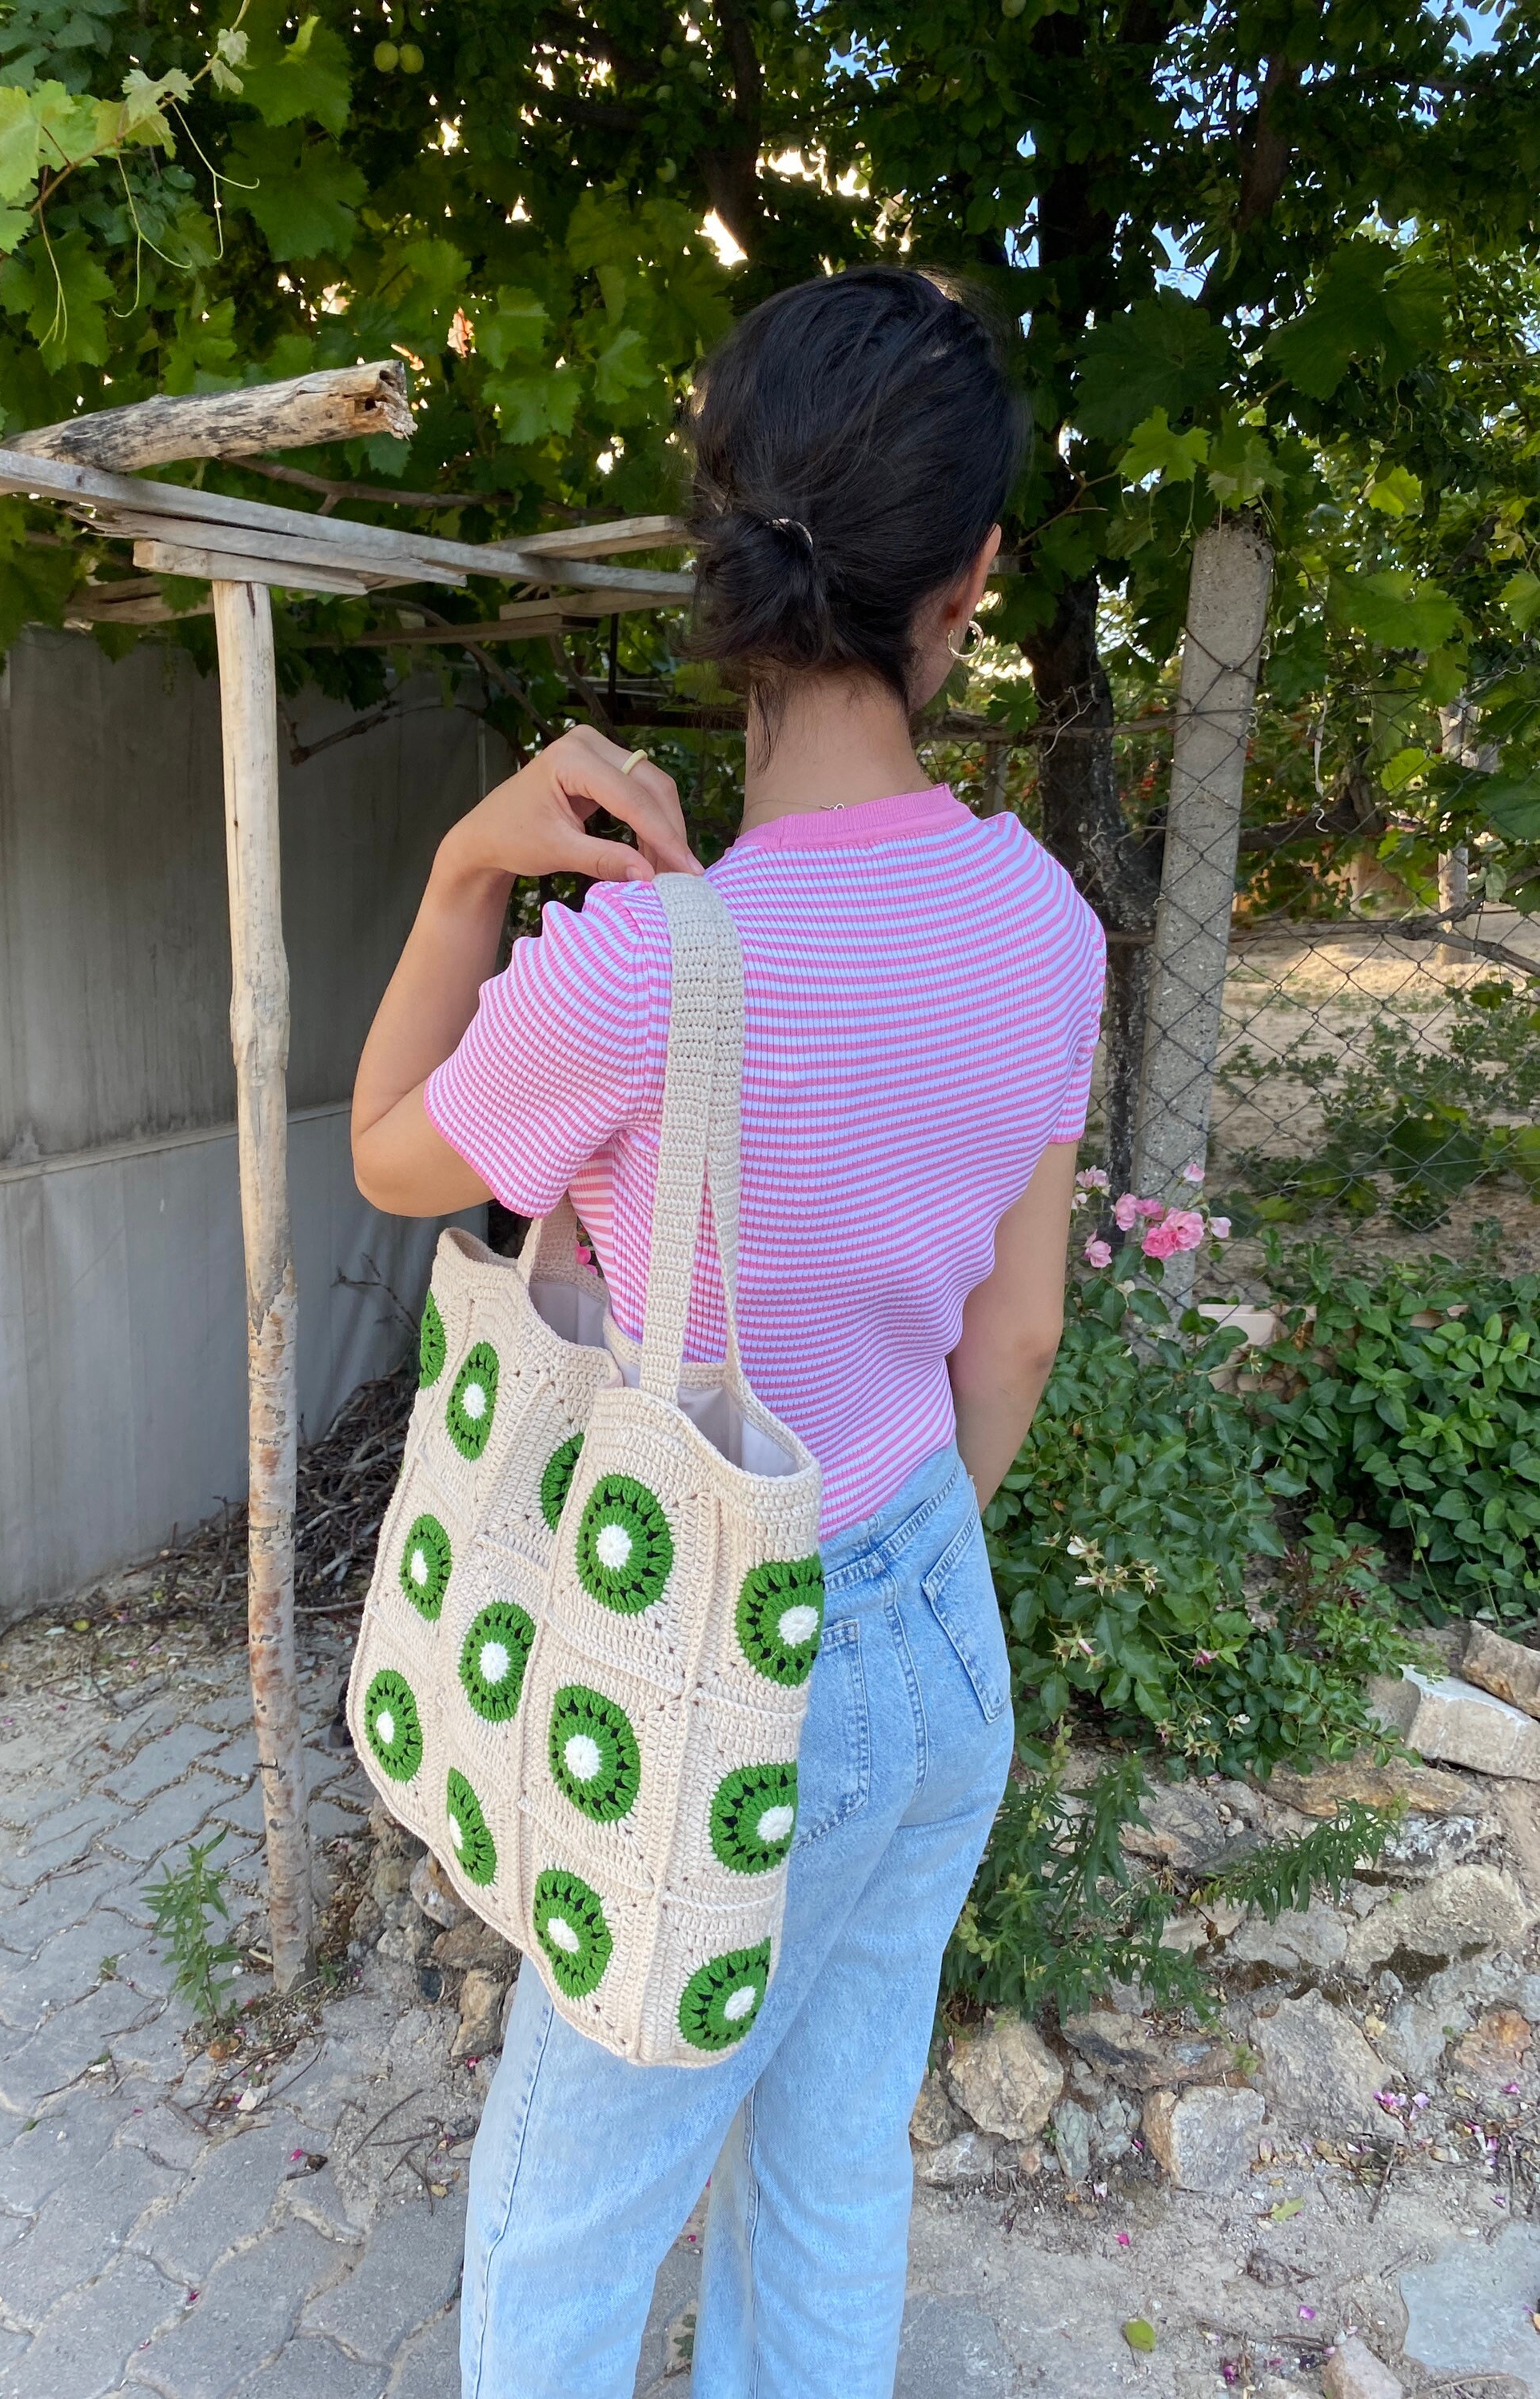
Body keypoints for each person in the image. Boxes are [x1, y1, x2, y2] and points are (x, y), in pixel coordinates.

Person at [351, 265, 1106, 2399]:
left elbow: (397, 1159)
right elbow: (1017, 1338)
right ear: (967, 581)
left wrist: (454, 882)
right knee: (835, 2171)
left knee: (569, 2233)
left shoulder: (635, 971)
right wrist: (884, 1579)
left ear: (715, 554)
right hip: (931, 1632)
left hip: (698, 1677)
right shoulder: (1046, 926)